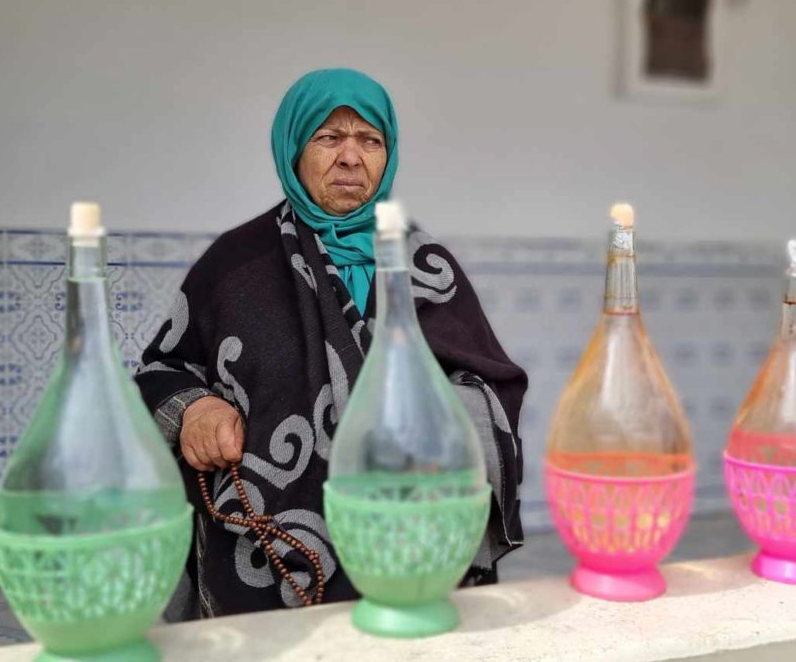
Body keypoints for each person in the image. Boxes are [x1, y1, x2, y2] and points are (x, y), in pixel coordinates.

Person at [135, 68, 527, 619]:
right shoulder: (236, 263)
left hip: (409, 538)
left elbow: (491, 385)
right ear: (294, 148)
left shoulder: (425, 265)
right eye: (328, 137)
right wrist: (197, 407)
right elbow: (161, 369)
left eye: (370, 139)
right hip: (263, 549)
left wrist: (436, 426)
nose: (350, 157)